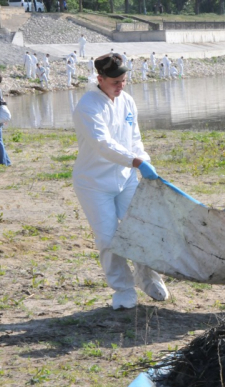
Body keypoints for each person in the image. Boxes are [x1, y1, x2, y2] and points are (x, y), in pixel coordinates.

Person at [72, 52, 169, 310]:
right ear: (99, 78)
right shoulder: (88, 105)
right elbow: (103, 144)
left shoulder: (127, 102)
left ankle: (147, 277)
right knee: (108, 239)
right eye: (115, 82)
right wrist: (136, 162)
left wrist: (145, 159)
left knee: (138, 229)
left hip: (126, 179)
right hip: (94, 183)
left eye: (124, 80)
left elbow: (134, 139)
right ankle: (124, 289)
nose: (120, 86)